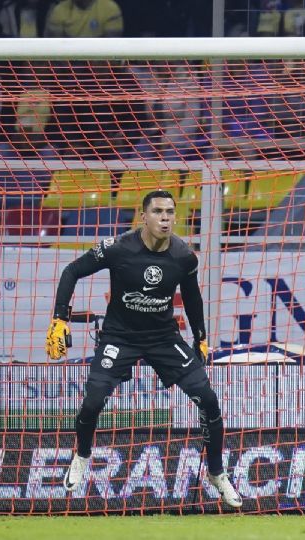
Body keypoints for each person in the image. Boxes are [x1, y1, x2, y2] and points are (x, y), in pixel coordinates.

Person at [45, 190, 242, 508]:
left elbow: (193, 300)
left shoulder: (183, 257)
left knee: (207, 398)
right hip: (119, 338)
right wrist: (59, 319)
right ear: (143, 216)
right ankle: (82, 454)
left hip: (164, 338)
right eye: (158, 212)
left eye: (170, 212)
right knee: (93, 400)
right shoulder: (117, 248)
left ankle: (217, 474)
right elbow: (72, 272)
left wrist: (201, 338)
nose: (165, 218)